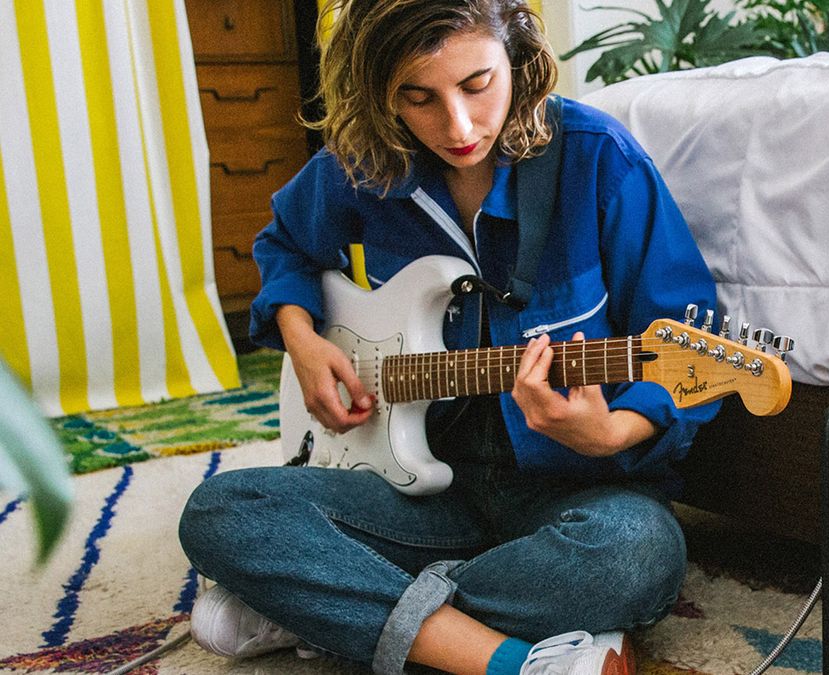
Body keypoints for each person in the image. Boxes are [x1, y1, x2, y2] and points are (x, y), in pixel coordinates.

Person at [177, 1, 720, 673]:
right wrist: (303, 340)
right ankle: (501, 655)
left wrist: (613, 432)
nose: (457, 125)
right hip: (420, 492)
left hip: (576, 491)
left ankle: (323, 605)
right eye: (418, 97)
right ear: (382, 94)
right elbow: (284, 243)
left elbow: (691, 329)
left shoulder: (599, 159)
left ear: (518, 59)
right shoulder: (363, 168)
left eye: (477, 84)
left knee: (637, 553)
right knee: (221, 509)